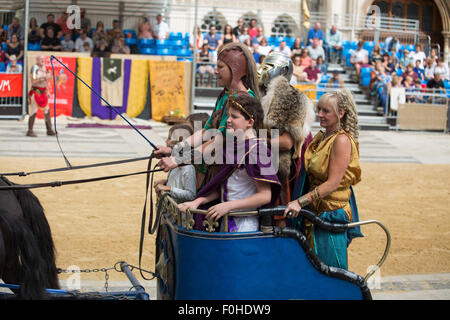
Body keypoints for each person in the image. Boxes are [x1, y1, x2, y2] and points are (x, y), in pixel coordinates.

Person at [155, 42, 261, 182]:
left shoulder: (243, 99)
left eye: (220, 67)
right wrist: (175, 149)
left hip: (231, 175)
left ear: (235, 69)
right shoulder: (225, 95)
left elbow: (218, 141)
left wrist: (177, 159)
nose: (215, 71)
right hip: (212, 165)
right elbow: (206, 132)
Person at [284, 89, 363, 270]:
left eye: (326, 111)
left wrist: (300, 202)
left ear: (340, 113)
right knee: (316, 268)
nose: (319, 114)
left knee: (331, 268)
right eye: (319, 109)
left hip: (331, 212)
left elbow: (333, 183)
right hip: (316, 211)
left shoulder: (341, 140)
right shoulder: (321, 137)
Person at [178, 94, 281, 232]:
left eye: (234, 117)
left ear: (250, 122)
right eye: (228, 116)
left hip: (244, 225)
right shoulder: (234, 145)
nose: (228, 120)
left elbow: (265, 196)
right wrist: (196, 202)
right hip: (225, 219)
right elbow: (224, 187)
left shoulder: (260, 151)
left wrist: (228, 206)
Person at [257, 51, 315, 216]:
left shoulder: (293, 98)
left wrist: (256, 140)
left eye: (268, 67)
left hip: (280, 170)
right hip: (259, 164)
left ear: (281, 70)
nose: (262, 71)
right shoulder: (261, 94)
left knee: (277, 217)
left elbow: (287, 142)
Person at [154, 124, 197, 203]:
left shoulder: (188, 168)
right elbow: (178, 184)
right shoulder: (174, 165)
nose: (166, 141)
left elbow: (191, 195)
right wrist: (165, 182)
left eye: (169, 138)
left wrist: (168, 188)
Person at [27, 55, 56, 137]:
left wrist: (48, 91)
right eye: (41, 59)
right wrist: (44, 77)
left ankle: (49, 129)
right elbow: (34, 80)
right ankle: (30, 130)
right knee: (34, 111)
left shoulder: (45, 69)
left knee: (47, 111)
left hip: (43, 92)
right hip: (36, 92)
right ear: (37, 60)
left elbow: (47, 81)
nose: (42, 60)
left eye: (43, 59)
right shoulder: (35, 68)